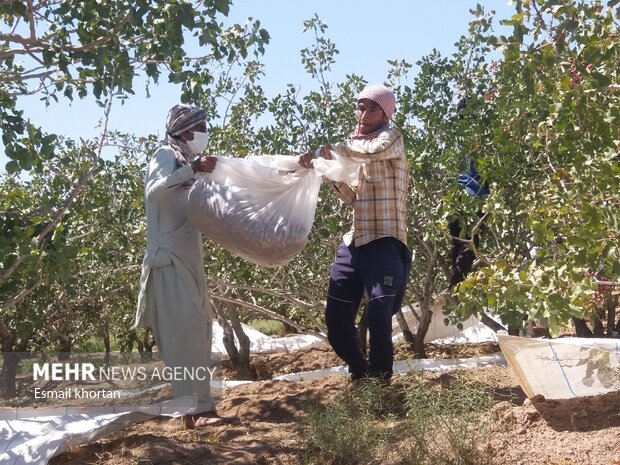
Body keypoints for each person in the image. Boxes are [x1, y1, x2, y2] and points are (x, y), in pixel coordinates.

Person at [299, 84, 412, 382]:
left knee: (378, 312)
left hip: (385, 242)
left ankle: (381, 380)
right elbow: (355, 200)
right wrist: (324, 169)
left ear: (385, 112)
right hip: (356, 242)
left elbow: (373, 149)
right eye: (360, 107)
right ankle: (361, 373)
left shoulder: (391, 139)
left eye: (371, 108)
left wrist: (332, 151)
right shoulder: (354, 150)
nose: (363, 114)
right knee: (336, 320)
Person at [135, 104, 232, 428]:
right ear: (187, 130)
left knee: (199, 331)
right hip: (169, 261)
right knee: (183, 334)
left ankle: (198, 408)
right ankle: (196, 409)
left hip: (188, 259)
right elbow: (153, 192)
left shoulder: (183, 161)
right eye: (201, 126)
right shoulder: (166, 155)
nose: (205, 132)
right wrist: (191, 169)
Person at [448, 96, 490, 288]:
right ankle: (457, 284)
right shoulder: (481, 137)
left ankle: (456, 284)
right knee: (470, 244)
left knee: (457, 243)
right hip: (474, 197)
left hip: (454, 198)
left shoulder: (454, 137)